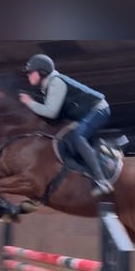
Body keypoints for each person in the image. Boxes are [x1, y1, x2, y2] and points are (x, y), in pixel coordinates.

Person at [18, 54, 114, 195]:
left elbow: (51, 112)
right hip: (83, 115)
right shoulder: (48, 86)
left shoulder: (56, 82)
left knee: (78, 136)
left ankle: (101, 180)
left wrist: (29, 102)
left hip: (98, 109)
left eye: (31, 73)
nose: (28, 77)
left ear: (42, 72)